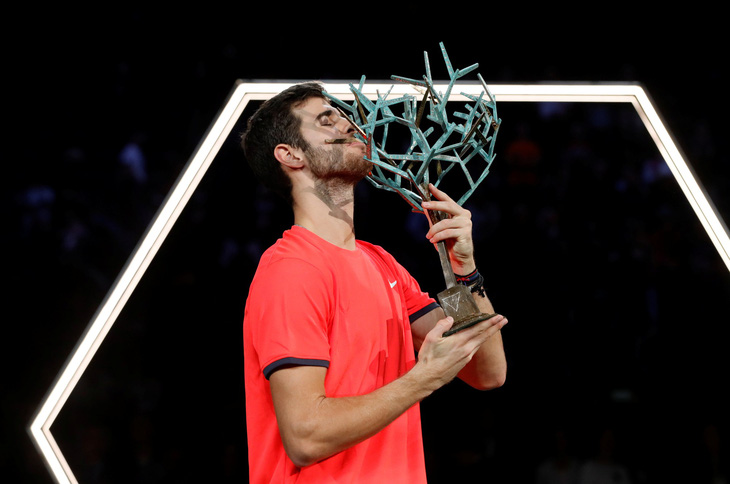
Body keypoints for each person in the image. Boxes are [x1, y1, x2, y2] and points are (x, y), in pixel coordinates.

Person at [239, 81, 508, 483]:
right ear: (289, 154)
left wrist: (462, 272)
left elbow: (486, 371)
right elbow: (305, 437)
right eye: (326, 120)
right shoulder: (291, 270)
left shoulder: (381, 264)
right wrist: (421, 380)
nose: (349, 125)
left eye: (345, 116)